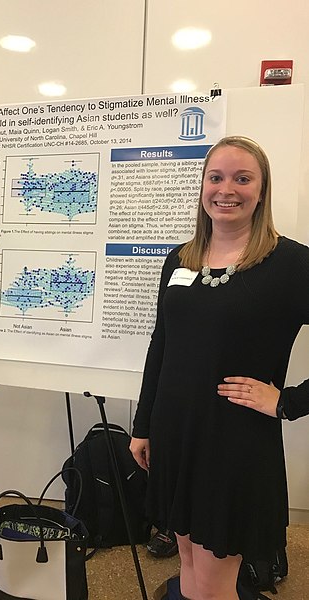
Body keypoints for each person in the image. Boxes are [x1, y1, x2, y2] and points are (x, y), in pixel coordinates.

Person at [129, 136, 309, 600]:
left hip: (232, 443)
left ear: (262, 190)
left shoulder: (291, 264)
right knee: (189, 559)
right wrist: (143, 425)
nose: (227, 189)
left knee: (212, 585)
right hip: (176, 433)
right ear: (203, 186)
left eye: (242, 178)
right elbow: (161, 344)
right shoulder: (182, 258)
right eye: (216, 177)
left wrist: (288, 402)